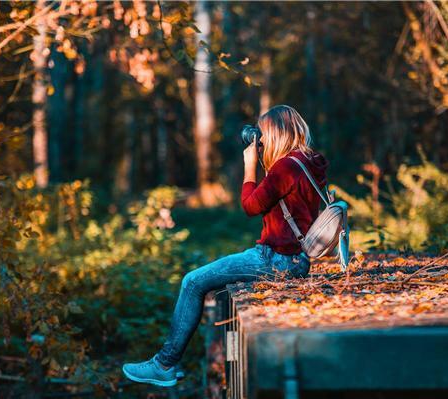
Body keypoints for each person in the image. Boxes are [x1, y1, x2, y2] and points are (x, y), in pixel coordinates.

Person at [122, 104, 329, 386]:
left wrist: (249, 167)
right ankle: (167, 362)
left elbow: (250, 206)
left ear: (277, 133)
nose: (261, 140)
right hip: (297, 259)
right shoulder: (310, 162)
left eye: (264, 134)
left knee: (192, 282)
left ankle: (164, 364)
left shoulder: (285, 167)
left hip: (276, 259)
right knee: (207, 279)